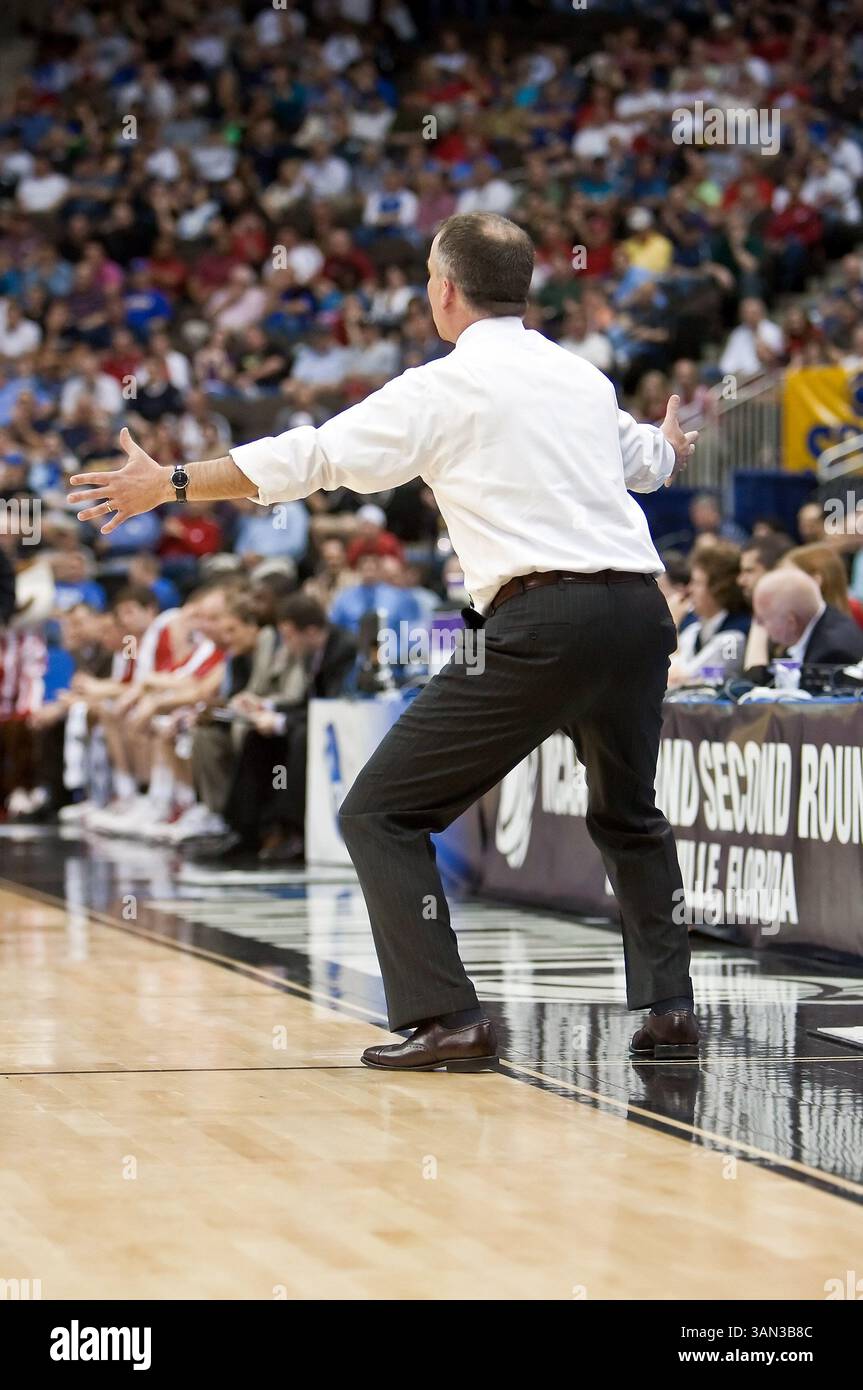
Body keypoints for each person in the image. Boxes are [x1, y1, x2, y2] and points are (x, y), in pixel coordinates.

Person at [68, 212, 700, 1071]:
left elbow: (310, 458)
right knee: (628, 815)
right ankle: (668, 1010)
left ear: (443, 290)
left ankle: (447, 1016)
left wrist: (173, 481)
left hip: (537, 619)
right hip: (637, 614)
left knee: (380, 810)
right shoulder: (582, 378)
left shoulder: (441, 386)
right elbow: (645, 465)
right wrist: (666, 444)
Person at [751, 568, 863, 674]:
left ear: (791, 623)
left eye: (763, 619)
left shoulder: (831, 654)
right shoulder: (823, 619)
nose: (759, 625)